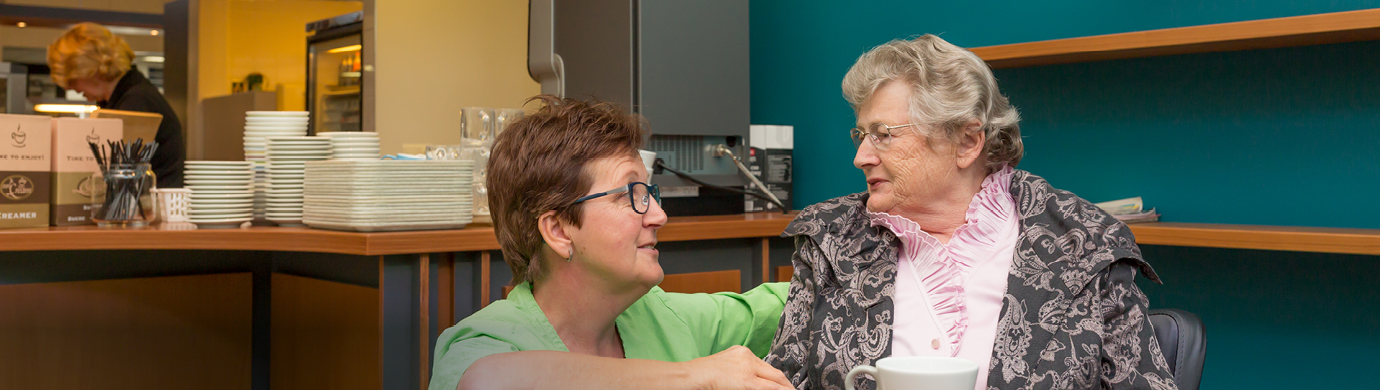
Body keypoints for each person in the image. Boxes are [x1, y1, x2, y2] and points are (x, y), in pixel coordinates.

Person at [765, 35, 1177, 390]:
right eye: (860, 135)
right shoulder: (830, 239)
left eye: (883, 136)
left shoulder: (1086, 243)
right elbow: (781, 378)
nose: (861, 156)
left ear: (966, 143)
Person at [429, 95, 793, 390]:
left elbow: (791, 302)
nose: (659, 216)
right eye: (630, 195)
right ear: (558, 231)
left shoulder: (659, 319)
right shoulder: (482, 342)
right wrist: (694, 375)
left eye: (650, 192)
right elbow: (487, 381)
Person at [48, 22, 185, 188]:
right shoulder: (126, 96)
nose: (71, 88)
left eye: (71, 80)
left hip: (155, 209)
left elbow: (120, 175)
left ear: (89, 69)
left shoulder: (136, 101)